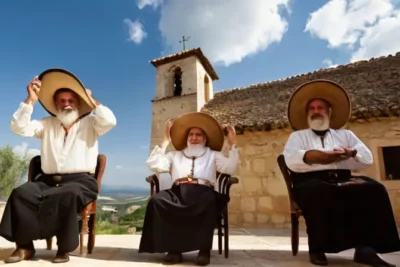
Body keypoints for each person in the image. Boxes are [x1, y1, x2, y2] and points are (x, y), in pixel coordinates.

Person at [0, 68, 117, 264]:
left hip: (81, 182)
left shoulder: (92, 123)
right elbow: (18, 128)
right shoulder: (46, 123)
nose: (67, 104)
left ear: (78, 102)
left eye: (71, 100)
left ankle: (63, 249)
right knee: (21, 193)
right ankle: (25, 247)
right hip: (47, 181)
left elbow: (110, 121)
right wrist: (30, 100)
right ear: (56, 104)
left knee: (67, 194)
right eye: (62, 101)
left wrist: (92, 99)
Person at [283, 80, 400, 267]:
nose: (316, 111)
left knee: (374, 189)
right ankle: (317, 248)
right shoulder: (297, 136)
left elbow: (367, 158)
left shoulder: (345, 135)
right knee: (318, 191)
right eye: (312, 108)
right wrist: (319, 156)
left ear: (329, 112)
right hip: (310, 181)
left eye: (320, 107)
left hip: (344, 179)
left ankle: (366, 250)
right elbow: (290, 159)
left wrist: (350, 153)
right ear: (307, 114)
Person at [139, 112, 239, 266]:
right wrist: (165, 141)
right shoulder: (174, 155)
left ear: (205, 138)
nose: (194, 137)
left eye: (198, 135)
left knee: (210, 200)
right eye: (191, 134)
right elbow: (153, 164)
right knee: (157, 201)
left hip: (203, 192)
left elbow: (231, 168)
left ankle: (204, 250)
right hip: (178, 191)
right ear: (186, 138)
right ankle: (173, 250)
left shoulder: (213, 155)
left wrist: (232, 145)